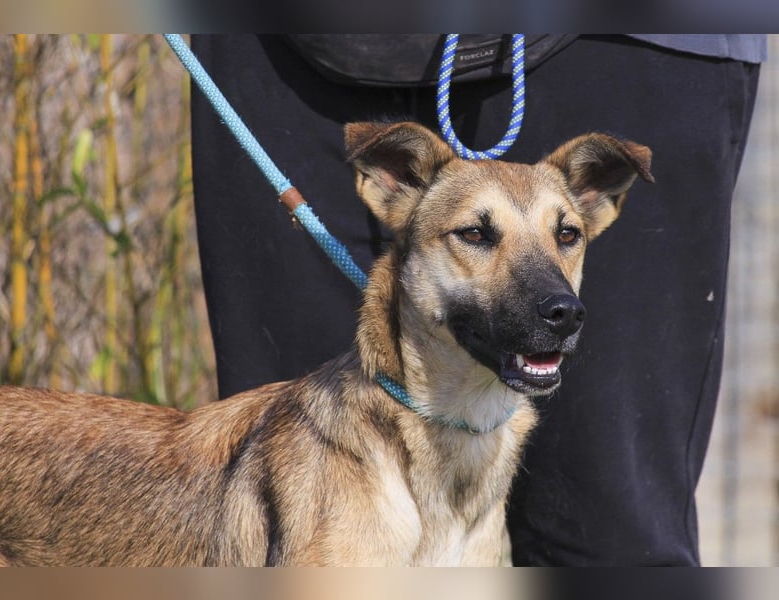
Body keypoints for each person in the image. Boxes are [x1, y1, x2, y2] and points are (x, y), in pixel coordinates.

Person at [189, 34, 765, 566]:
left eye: (565, 235)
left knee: (611, 542)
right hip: (310, 42)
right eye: (477, 235)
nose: (556, 298)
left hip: (614, 39)